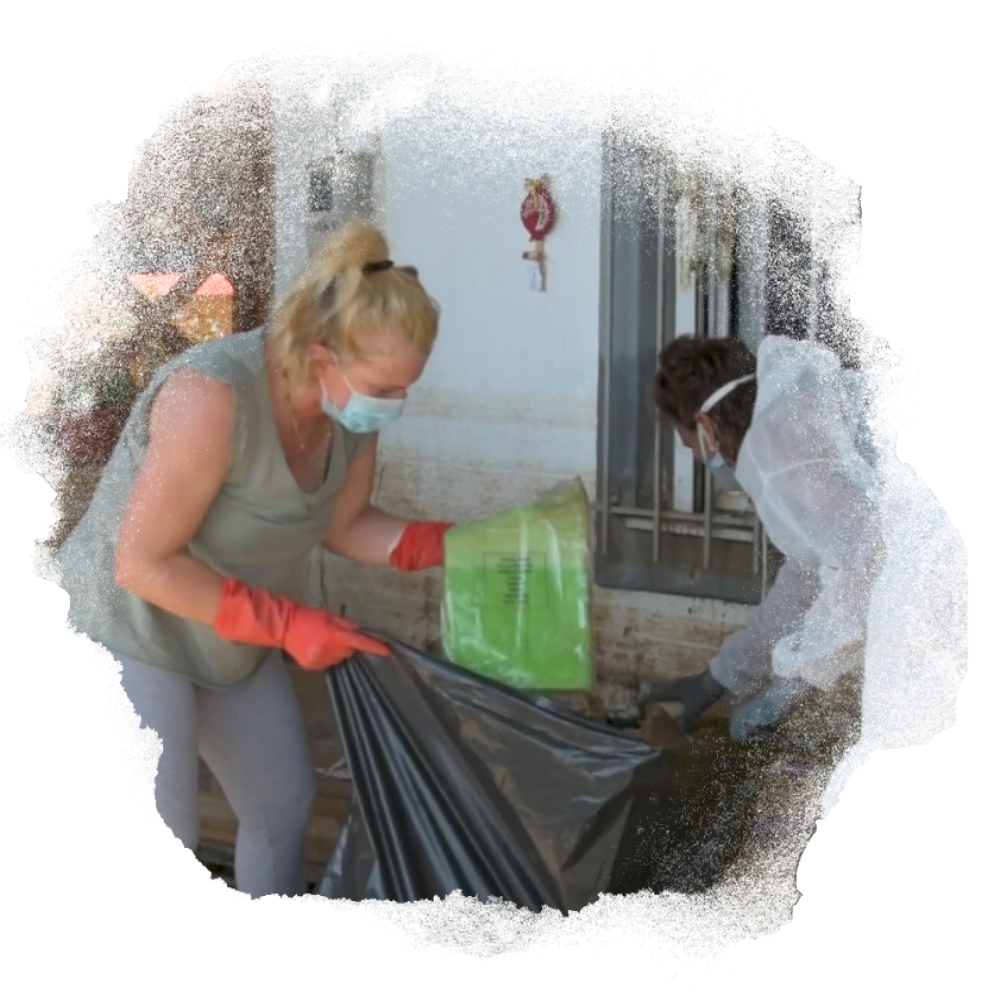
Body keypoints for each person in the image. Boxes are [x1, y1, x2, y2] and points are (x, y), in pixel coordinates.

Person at [49, 220, 456, 900]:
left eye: (406, 388)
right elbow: (143, 564)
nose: (395, 405)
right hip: (127, 628)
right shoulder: (212, 397)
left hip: (232, 633)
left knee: (282, 805)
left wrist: (448, 544)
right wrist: (291, 625)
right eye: (384, 388)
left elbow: (345, 526)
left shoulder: (347, 420)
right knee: (167, 823)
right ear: (322, 354)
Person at [643, 333, 967, 820]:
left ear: (706, 425)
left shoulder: (780, 441)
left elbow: (864, 571)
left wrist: (784, 692)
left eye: (691, 445)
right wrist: (720, 677)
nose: (700, 458)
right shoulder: (802, 411)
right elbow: (807, 580)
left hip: (945, 551)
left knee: (909, 722)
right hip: (940, 541)